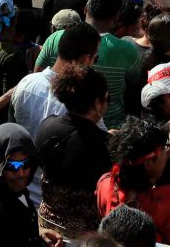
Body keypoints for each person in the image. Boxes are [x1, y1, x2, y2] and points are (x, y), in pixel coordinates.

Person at [96, 115, 170, 246]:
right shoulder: (151, 205)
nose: (166, 150)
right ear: (148, 163)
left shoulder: (104, 183)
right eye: (163, 148)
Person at [35, 63, 112, 239]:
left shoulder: (47, 125)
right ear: (97, 103)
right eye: (107, 99)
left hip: (46, 227)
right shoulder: (102, 143)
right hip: (83, 236)